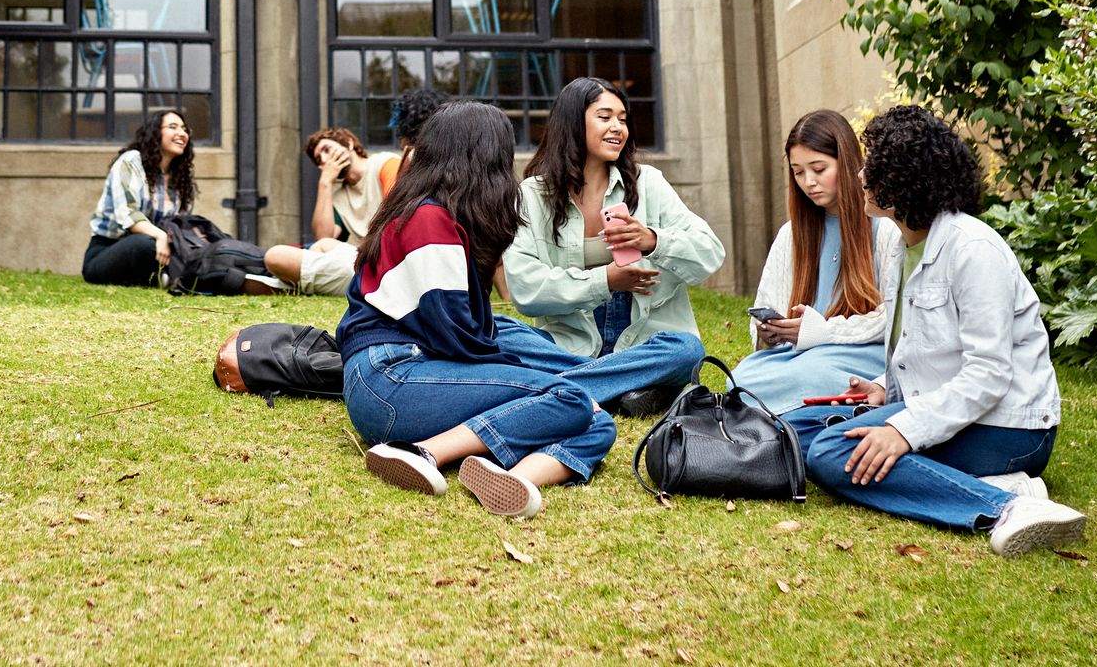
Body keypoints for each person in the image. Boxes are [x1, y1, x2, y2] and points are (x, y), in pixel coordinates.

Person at [782, 105, 1087, 557]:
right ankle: (1001, 485)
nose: (861, 177)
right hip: (946, 412)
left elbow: (987, 375)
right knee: (796, 429)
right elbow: (921, 348)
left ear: (908, 177)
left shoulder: (973, 248)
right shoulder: (900, 247)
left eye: (873, 167)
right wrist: (886, 389)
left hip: (1010, 429)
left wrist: (902, 431)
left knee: (830, 452)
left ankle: (1004, 508)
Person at [340, 101, 622, 518]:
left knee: (597, 422)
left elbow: (469, 332)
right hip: (391, 380)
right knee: (569, 397)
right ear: (485, 158)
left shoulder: (432, 213)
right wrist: (536, 380)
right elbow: (458, 338)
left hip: (407, 377)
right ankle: (421, 452)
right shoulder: (427, 220)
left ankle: (517, 478)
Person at [501, 78, 720, 416]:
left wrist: (653, 240)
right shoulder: (531, 195)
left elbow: (710, 253)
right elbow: (527, 290)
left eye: (622, 119)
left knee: (686, 349)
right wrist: (606, 280)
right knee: (500, 334)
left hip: (643, 338)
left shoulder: (648, 183)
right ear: (573, 123)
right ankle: (626, 388)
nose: (618, 128)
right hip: (569, 341)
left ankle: (561, 389)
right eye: (605, 117)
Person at [729, 109, 905, 410]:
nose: (808, 182)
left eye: (819, 169)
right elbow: (769, 303)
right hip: (798, 354)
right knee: (740, 378)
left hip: (861, 351)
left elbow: (895, 317)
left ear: (847, 163)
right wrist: (771, 332)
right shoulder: (791, 235)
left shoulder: (885, 228)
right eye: (798, 172)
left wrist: (823, 331)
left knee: (812, 375)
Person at [262, 126, 393, 294]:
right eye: (318, 160)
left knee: (277, 257)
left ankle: (301, 285)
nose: (324, 160)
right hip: (360, 262)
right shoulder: (339, 198)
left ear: (349, 143)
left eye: (326, 149)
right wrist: (325, 183)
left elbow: (401, 209)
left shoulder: (384, 163)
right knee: (311, 247)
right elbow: (323, 237)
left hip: (386, 260)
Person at [82, 111, 197, 286]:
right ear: (155, 132)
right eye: (173, 127)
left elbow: (179, 224)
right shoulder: (131, 162)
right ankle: (171, 278)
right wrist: (161, 236)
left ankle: (167, 278)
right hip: (108, 250)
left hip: (158, 251)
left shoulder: (180, 177)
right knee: (142, 244)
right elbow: (128, 215)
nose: (182, 133)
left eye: (184, 129)